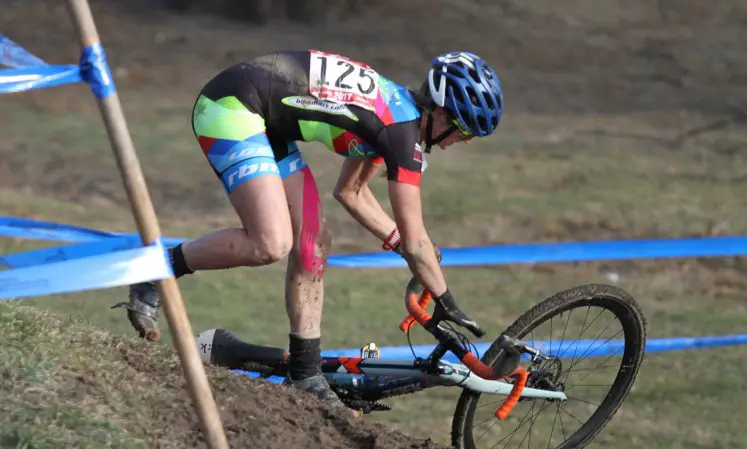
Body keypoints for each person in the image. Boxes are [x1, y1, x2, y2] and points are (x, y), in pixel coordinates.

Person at [114, 49, 504, 411]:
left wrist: (408, 250)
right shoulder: (400, 134)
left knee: (313, 243)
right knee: (271, 243)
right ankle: (159, 269)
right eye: (462, 131)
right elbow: (416, 237)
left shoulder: (396, 121)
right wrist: (445, 298)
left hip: (266, 118)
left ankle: (305, 372)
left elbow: (351, 193)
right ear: (437, 111)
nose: (460, 142)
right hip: (231, 107)